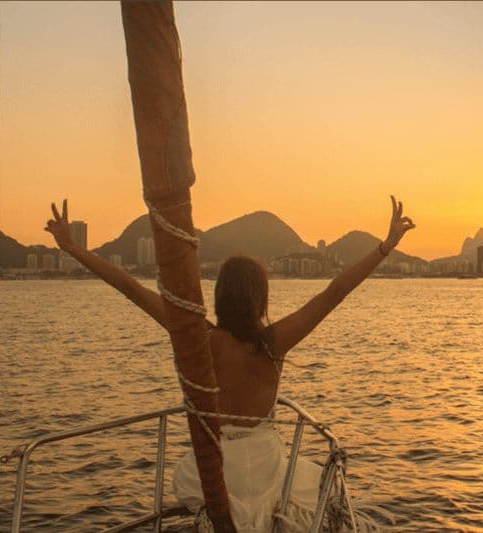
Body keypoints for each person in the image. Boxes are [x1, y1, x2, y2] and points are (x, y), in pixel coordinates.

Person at [44, 196, 415, 531]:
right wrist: (384, 247)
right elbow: (334, 292)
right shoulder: (273, 343)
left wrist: (73, 248)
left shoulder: (201, 338)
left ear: (220, 295)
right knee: (307, 489)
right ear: (260, 297)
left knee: (193, 481)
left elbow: (132, 289)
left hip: (218, 469)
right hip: (267, 467)